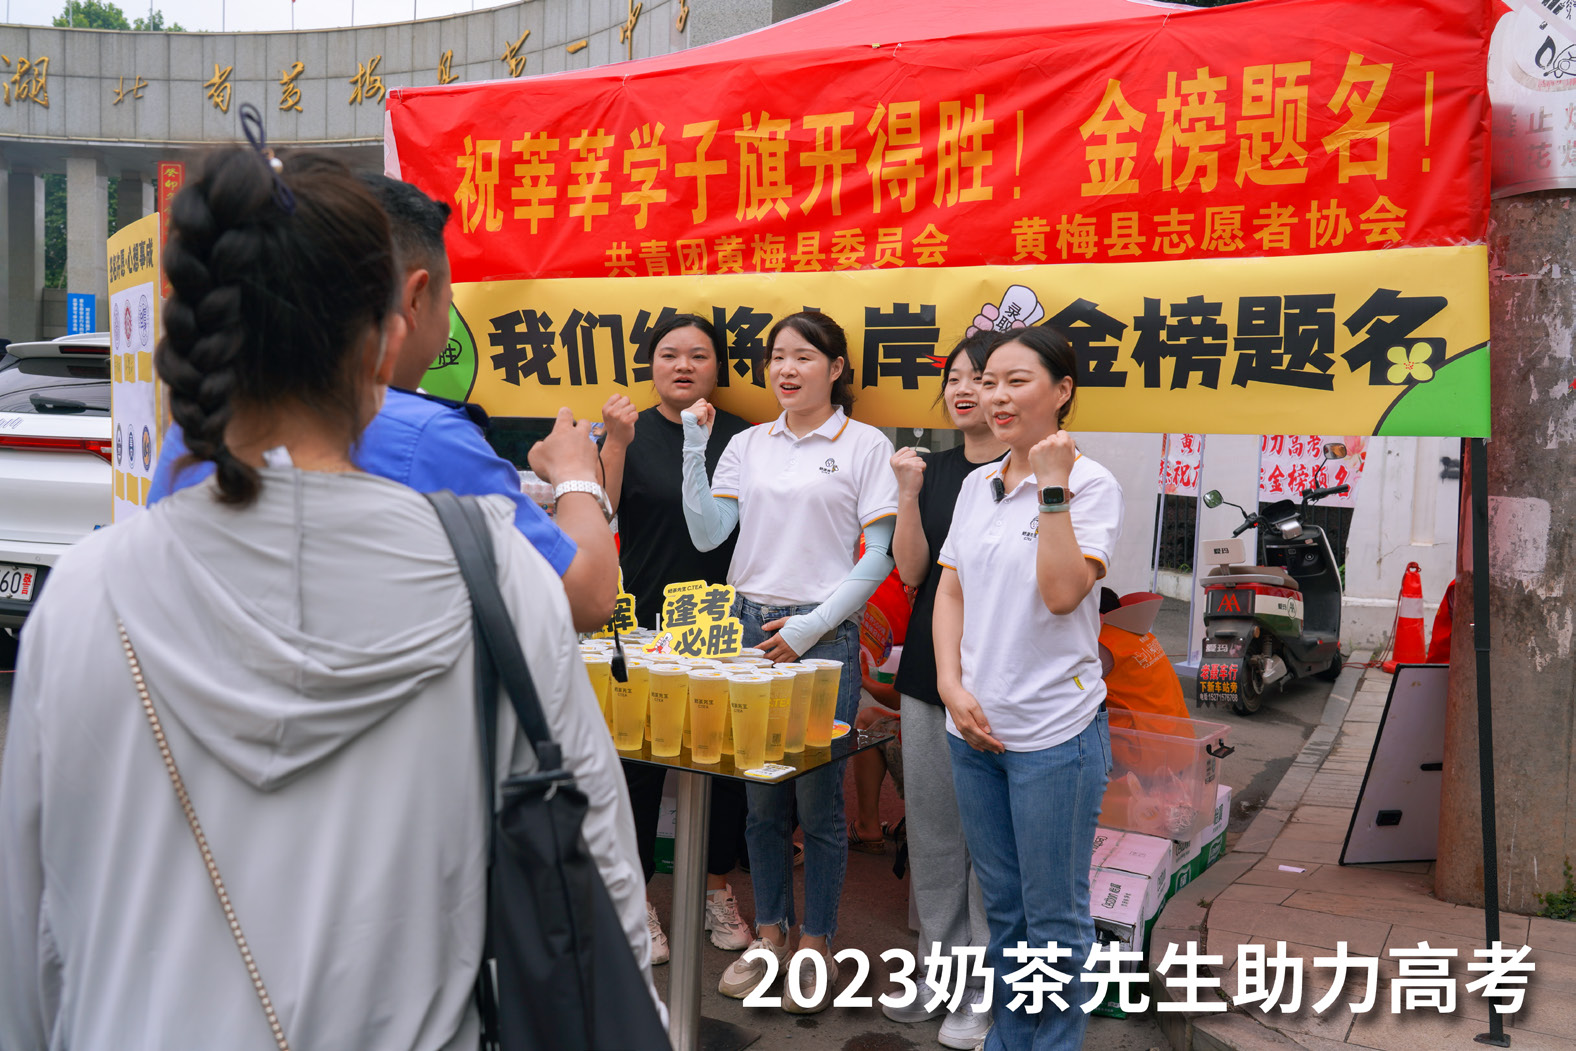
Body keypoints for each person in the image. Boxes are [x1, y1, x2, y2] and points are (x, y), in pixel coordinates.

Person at [0, 147, 656, 1049]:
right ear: (386, 334)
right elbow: (603, 888)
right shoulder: (494, 572)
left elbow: (33, 934)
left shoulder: (84, 593)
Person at [145, 173, 619, 633]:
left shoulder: (200, 421)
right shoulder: (428, 438)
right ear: (412, 303)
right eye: (448, 302)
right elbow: (589, 598)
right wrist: (575, 472)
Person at [681, 311, 898, 1013]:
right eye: (777, 356)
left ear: (836, 368)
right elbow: (708, 532)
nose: (787, 368)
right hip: (748, 627)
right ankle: (769, 934)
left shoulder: (865, 444)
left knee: (818, 802)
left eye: (804, 356)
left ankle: (817, 942)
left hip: (823, 633)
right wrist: (693, 445)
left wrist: (812, 626)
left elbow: (879, 555)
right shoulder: (748, 443)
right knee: (760, 799)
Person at [934, 327, 1123, 1051]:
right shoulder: (975, 485)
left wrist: (1051, 487)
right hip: (973, 730)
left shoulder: (1092, 484)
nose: (995, 396)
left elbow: (1061, 592)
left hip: (1054, 737)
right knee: (1006, 912)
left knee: (1053, 919)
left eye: (1016, 381)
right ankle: (1009, 1041)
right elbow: (951, 591)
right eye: (988, 382)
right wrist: (950, 685)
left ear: (1062, 390)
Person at [595, 312, 755, 963]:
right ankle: (636, 900)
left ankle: (716, 887)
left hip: (726, 625)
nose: (683, 365)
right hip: (643, 626)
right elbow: (599, 512)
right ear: (651, 365)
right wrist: (613, 442)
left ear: (718, 367)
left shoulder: (745, 437)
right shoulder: (627, 431)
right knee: (636, 767)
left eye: (698, 354)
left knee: (724, 767)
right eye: (669, 354)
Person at [881, 331, 1008, 1049]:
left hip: (1001, 678)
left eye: (982, 378)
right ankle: (939, 967)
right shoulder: (931, 470)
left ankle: (984, 984)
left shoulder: (1036, 470)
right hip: (931, 671)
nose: (964, 390)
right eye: (955, 378)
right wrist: (908, 493)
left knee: (988, 837)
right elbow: (911, 573)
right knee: (932, 831)